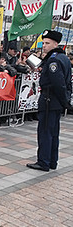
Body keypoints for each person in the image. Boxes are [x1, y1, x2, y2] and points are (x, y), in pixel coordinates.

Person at [27, 30, 72, 172]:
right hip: (55, 101)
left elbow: (58, 83)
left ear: (55, 43)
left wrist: (64, 100)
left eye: (47, 43)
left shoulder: (54, 60)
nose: (44, 46)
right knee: (53, 132)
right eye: (43, 43)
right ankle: (52, 161)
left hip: (49, 100)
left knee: (45, 132)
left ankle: (44, 161)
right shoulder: (62, 58)